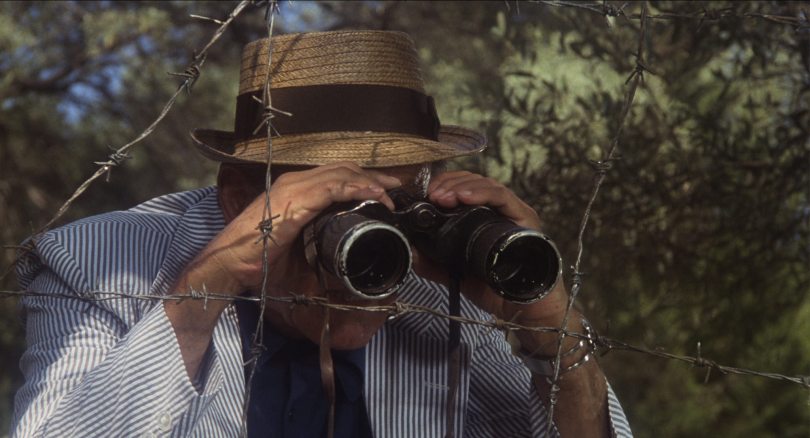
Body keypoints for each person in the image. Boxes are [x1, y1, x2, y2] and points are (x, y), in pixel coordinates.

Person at [12, 30, 632, 437]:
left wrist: (549, 329)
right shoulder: (94, 262)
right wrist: (202, 293)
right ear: (240, 197)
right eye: (340, 210)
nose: (371, 256)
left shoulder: (436, 283)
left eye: (395, 207)